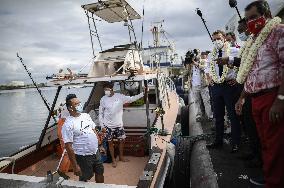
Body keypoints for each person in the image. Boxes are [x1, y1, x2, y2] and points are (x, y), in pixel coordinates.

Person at [234, 1, 284, 187]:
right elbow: (251, 72)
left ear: (267, 13)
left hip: (273, 97)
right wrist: (242, 97)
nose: (250, 22)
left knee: (275, 144)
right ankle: (270, 175)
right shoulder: (254, 40)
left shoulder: (279, 31)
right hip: (255, 99)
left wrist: (280, 100)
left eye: (254, 17)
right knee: (265, 142)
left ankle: (274, 182)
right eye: (248, 20)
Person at [206, 30, 241, 153]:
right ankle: (218, 141)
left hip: (229, 86)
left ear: (224, 38)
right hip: (216, 87)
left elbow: (242, 66)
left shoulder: (234, 51)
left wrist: (237, 79)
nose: (217, 41)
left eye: (219, 38)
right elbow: (208, 68)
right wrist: (210, 79)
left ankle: (236, 143)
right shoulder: (211, 54)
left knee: (233, 115)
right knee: (218, 115)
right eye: (214, 39)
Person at [99, 82, 145, 168]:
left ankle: (121, 157)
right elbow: (100, 113)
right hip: (107, 126)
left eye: (107, 89)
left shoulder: (119, 96)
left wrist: (143, 93)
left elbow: (131, 99)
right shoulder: (103, 99)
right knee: (110, 143)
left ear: (111, 89)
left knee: (121, 141)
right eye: (104, 90)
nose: (106, 91)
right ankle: (113, 160)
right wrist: (102, 126)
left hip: (119, 125)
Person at [62, 94, 104, 182]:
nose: (80, 105)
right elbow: (68, 147)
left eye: (79, 103)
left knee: (100, 172)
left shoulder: (86, 116)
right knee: (85, 177)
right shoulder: (68, 124)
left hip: (95, 152)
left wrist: (100, 145)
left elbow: (94, 130)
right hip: (83, 156)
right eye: (76, 104)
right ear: (70, 108)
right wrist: (75, 166)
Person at [188, 51, 213, 122]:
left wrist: (195, 63)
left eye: (195, 56)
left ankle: (210, 116)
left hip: (203, 85)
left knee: (206, 101)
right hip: (194, 86)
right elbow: (187, 73)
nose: (194, 58)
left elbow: (203, 67)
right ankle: (198, 115)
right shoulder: (191, 65)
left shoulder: (203, 61)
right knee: (196, 101)